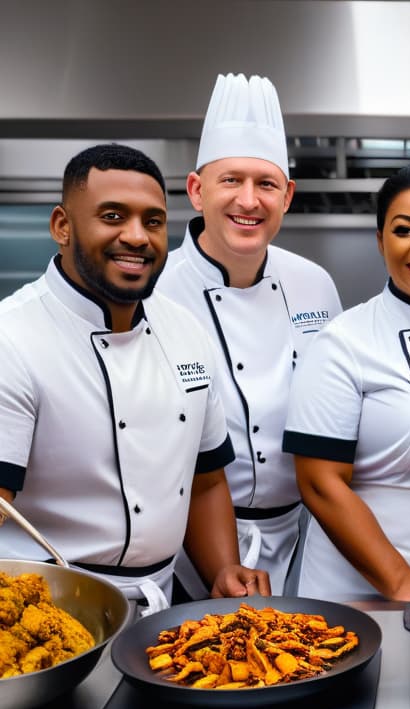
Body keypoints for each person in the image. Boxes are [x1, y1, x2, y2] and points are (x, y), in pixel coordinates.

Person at [0, 143, 270, 617]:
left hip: (161, 608)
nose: (137, 237)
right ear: (62, 226)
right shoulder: (13, 338)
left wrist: (222, 570)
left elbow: (205, 481)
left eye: (152, 221)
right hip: (43, 608)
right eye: (112, 216)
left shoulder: (185, 331)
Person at [158, 73, 342, 597]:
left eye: (266, 184)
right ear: (196, 190)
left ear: (288, 195)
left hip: (305, 532)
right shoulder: (155, 294)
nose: (249, 200)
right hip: (184, 539)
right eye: (231, 180)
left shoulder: (315, 285)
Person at [282, 163, 410, 602]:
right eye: (405, 230)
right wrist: (405, 583)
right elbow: (319, 482)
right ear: (380, 241)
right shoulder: (344, 341)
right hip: (355, 584)